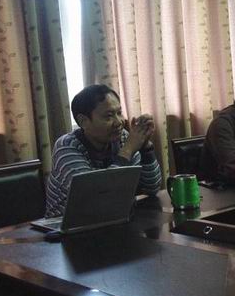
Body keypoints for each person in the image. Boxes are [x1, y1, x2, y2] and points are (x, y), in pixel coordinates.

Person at [46, 84, 162, 217]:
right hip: (66, 224)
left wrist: (145, 148)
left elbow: (151, 188)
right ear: (83, 121)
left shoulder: (122, 138)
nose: (119, 122)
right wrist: (128, 150)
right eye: (108, 116)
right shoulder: (67, 146)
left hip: (114, 219)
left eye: (119, 113)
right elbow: (96, 197)